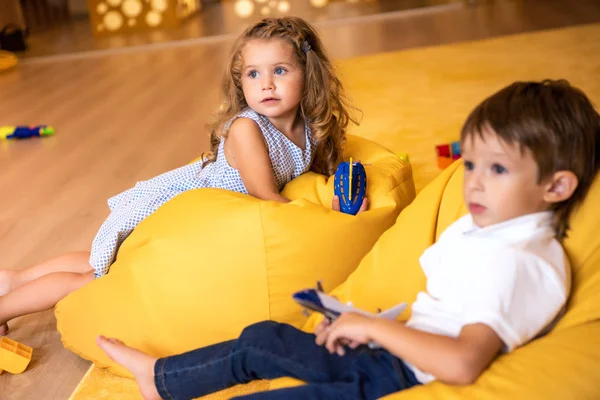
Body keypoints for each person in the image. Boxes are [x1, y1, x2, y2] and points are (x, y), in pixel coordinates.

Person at [97, 80, 600, 400]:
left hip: (394, 376)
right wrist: (361, 322)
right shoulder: (494, 228)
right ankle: (161, 379)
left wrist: (373, 330)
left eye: (497, 169)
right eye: (470, 164)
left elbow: (463, 362)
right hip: (388, 353)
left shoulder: (519, 260)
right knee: (263, 338)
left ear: (556, 187)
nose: (473, 183)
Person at [0, 17, 364, 335]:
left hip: (207, 216)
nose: (266, 84)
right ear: (241, 82)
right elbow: (267, 197)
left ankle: (13, 280)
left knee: (106, 258)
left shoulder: (307, 127)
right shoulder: (247, 129)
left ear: (308, 73)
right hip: (181, 212)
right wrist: (325, 220)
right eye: (254, 73)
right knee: (99, 275)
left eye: (280, 71)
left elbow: (316, 176)